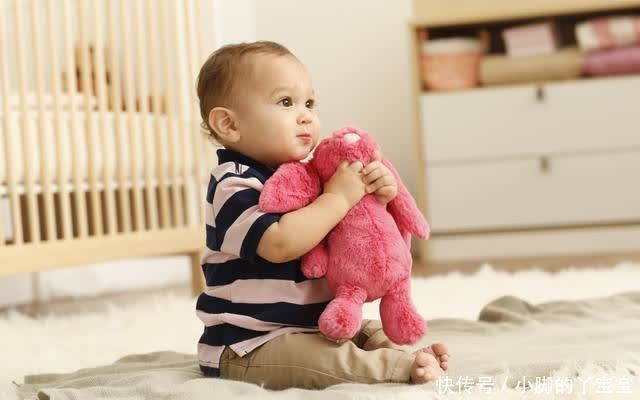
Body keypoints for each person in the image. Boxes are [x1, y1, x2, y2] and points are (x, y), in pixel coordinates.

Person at [195, 40, 449, 390]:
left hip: (314, 324)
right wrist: (339, 199)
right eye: (286, 102)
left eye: (310, 103)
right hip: (250, 343)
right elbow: (279, 243)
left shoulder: (311, 176)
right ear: (230, 124)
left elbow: (352, 233)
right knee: (326, 360)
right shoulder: (232, 184)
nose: (306, 115)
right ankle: (397, 365)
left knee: (366, 331)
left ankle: (405, 352)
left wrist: (378, 195)